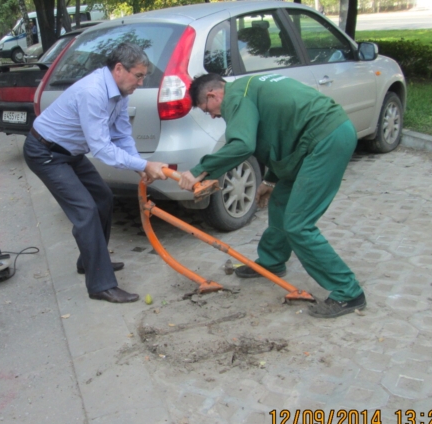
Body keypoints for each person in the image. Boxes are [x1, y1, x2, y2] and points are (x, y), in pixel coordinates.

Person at [178, 73, 366, 318]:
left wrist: (198, 171)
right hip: (313, 140)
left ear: (213, 95)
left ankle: (348, 292)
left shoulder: (236, 97)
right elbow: (280, 134)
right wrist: (270, 180)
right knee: (280, 202)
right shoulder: (248, 89)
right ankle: (273, 261)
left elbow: (242, 144)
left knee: (298, 224)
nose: (213, 115)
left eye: (207, 109)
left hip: (326, 140)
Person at [24, 43, 168, 304]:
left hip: (70, 152)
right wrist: (145, 166)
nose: (141, 81)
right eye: (138, 75)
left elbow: (122, 134)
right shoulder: (94, 92)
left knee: (103, 198)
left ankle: (90, 261)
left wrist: (139, 165)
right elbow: (102, 148)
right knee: (86, 211)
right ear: (119, 69)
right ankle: (101, 285)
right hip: (46, 153)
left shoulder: (121, 92)